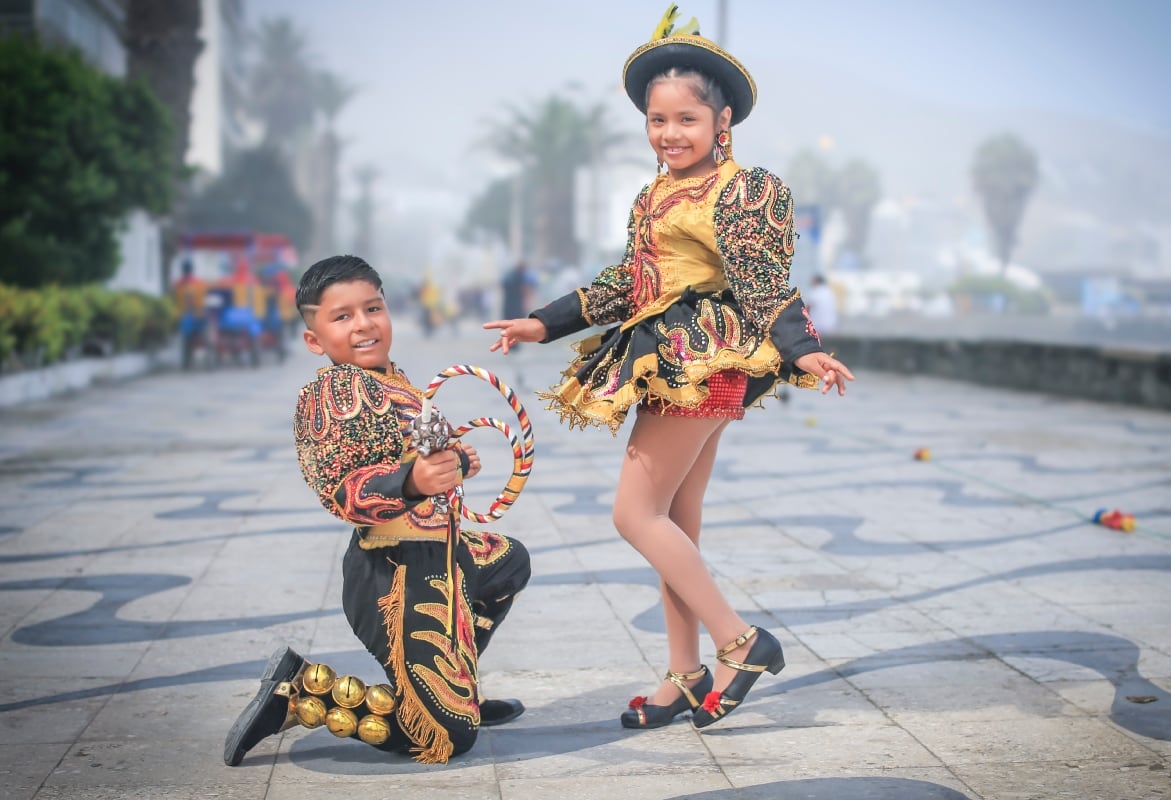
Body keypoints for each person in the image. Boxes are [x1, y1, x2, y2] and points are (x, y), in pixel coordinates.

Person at [483, 5, 853, 732]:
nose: (670, 133)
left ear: (722, 123)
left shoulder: (745, 189)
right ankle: (684, 674)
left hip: (702, 358)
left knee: (633, 513)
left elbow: (761, 280)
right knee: (676, 517)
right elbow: (629, 283)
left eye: (687, 119)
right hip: (688, 362)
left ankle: (740, 644)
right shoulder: (653, 195)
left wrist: (804, 347)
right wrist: (544, 322)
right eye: (658, 120)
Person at [224, 255, 531, 766]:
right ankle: (301, 695)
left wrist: (456, 460)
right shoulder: (331, 392)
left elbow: (424, 452)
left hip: (443, 551)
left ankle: (453, 689)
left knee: (509, 561)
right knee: (452, 740)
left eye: (373, 308)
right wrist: (411, 481)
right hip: (396, 574)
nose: (364, 324)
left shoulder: (396, 380)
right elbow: (341, 488)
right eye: (342, 317)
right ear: (314, 340)